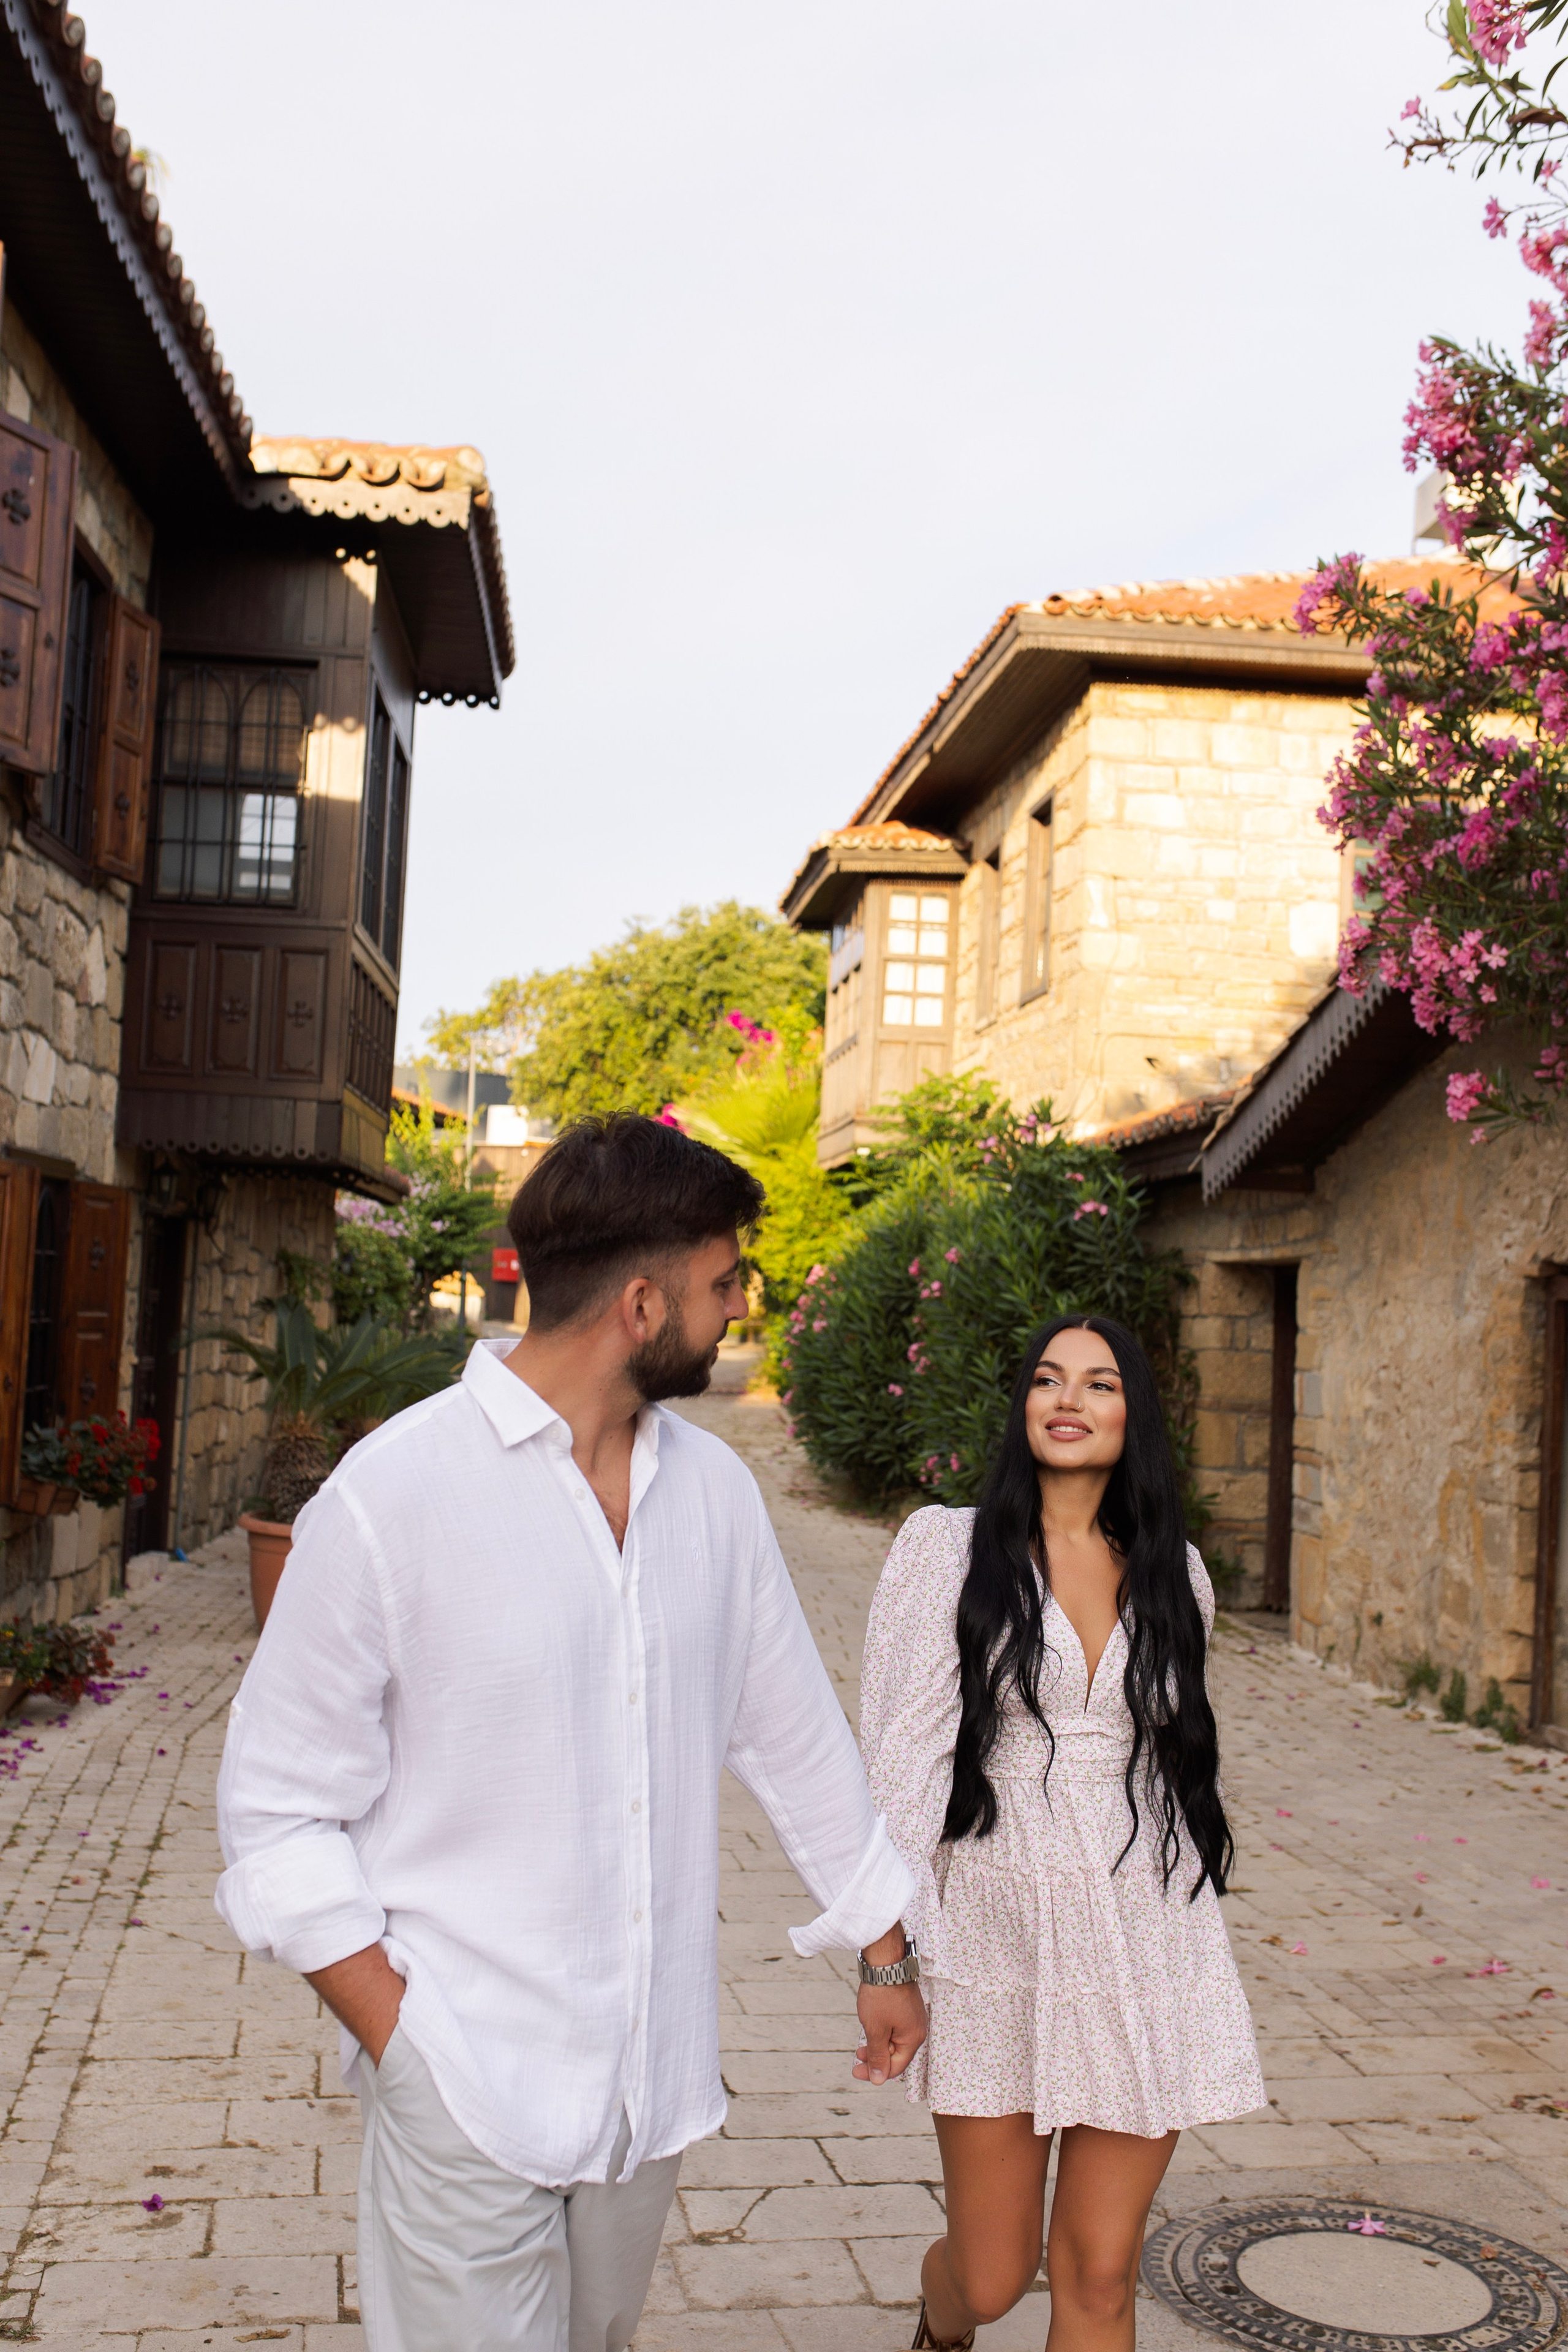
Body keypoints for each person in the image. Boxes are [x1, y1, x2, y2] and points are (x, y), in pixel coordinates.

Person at [215, 1112, 925, 2352]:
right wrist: (403, 2035)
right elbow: (274, 1812)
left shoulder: (710, 1495)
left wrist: (880, 1943)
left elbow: (792, 1732)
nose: (733, 1308)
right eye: (722, 1283)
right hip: (463, 2075)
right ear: (640, 1307)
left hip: (646, 2085)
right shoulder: (391, 1500)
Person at [860, 1314, 1265, 2352]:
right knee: (994, 2277)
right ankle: (939, 2326)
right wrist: (885, 1953)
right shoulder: (945, 1549)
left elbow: (1171, 1762)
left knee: (1099, 2272)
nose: (1070, 1400)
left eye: (1100, 1384)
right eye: (1048, 1380)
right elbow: (897, 1765)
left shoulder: (1178, 1572)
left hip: (1140, 1934)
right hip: (993, 1931)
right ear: (1025, 1406)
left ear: (1134, 1417)